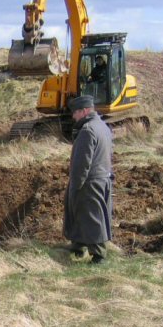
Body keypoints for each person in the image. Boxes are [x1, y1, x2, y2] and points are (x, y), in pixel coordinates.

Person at [63, 94, 114, 264]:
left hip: (89, 182)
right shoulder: (103, 126)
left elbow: (82, 162)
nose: (73, 117)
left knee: (92, 217)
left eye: (75, 113)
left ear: (84, 111)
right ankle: (78, 247)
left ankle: (99, 256)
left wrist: (75, 185)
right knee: (81, 215)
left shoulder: (87, 131)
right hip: (102, 178)